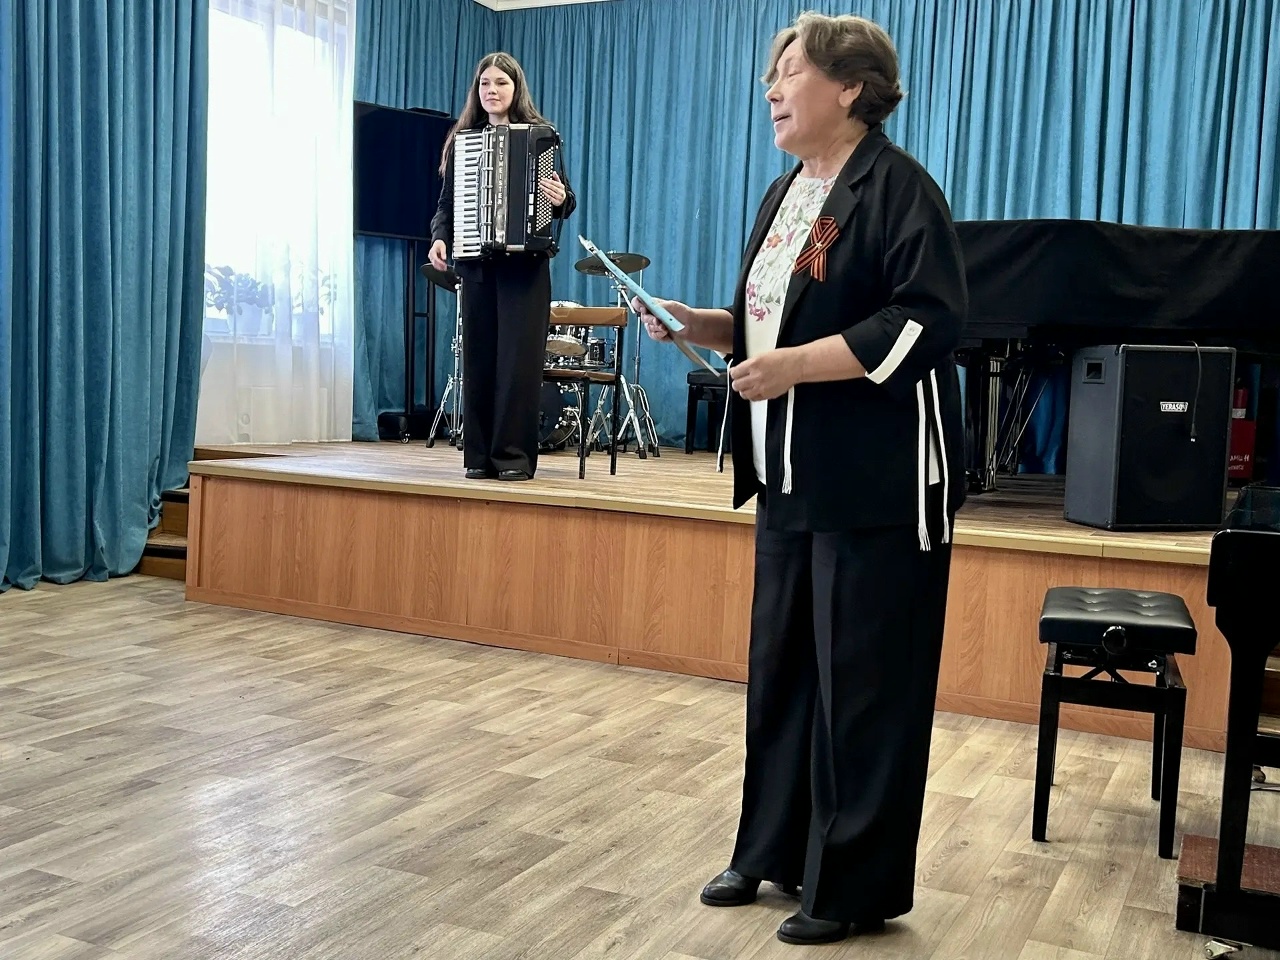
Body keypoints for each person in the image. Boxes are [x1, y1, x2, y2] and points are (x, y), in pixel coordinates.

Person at [634, 12, 967, 947]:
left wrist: (794, 368)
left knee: (865, 688)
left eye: (789, 72)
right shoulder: (787, 192)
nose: (772, 90)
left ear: (850, 87)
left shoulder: (899, 188)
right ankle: (771, 850)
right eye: (771, 76)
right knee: (782, 673)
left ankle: (852, 885)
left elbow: (926, 320)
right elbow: (769, 325)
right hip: (788, 473)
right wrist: (701, 324)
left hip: (878, 483)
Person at [429, 52, 576, 481]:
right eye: (485, 84)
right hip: (476, 265)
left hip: (524, 269)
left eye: (501, 83)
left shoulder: (542, 136)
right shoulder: (463, 141)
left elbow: (565, 199)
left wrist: (559, 199)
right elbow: (446, 205)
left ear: (516, 88)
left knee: (518, 364)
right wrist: (440, 237)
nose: (492, 91)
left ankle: (512, 457)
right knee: (479, 360)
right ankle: (478, 457)